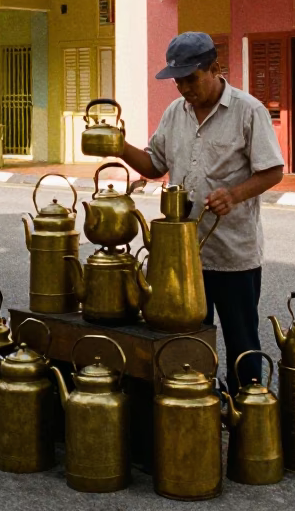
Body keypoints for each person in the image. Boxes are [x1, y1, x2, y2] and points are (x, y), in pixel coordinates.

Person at [117, 32, 284, 394]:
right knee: (189, 338)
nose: (184, 89)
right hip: (184, 254)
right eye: (178, 82)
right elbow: (153, 165)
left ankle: (249, 411)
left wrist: (235, 195)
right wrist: (120, 147)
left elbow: (273, 171)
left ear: (215, 69)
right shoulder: (175, 112)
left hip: (232, 252)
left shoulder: (248, 110)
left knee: (241, 338)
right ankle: (196, 404)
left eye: (191, 79)